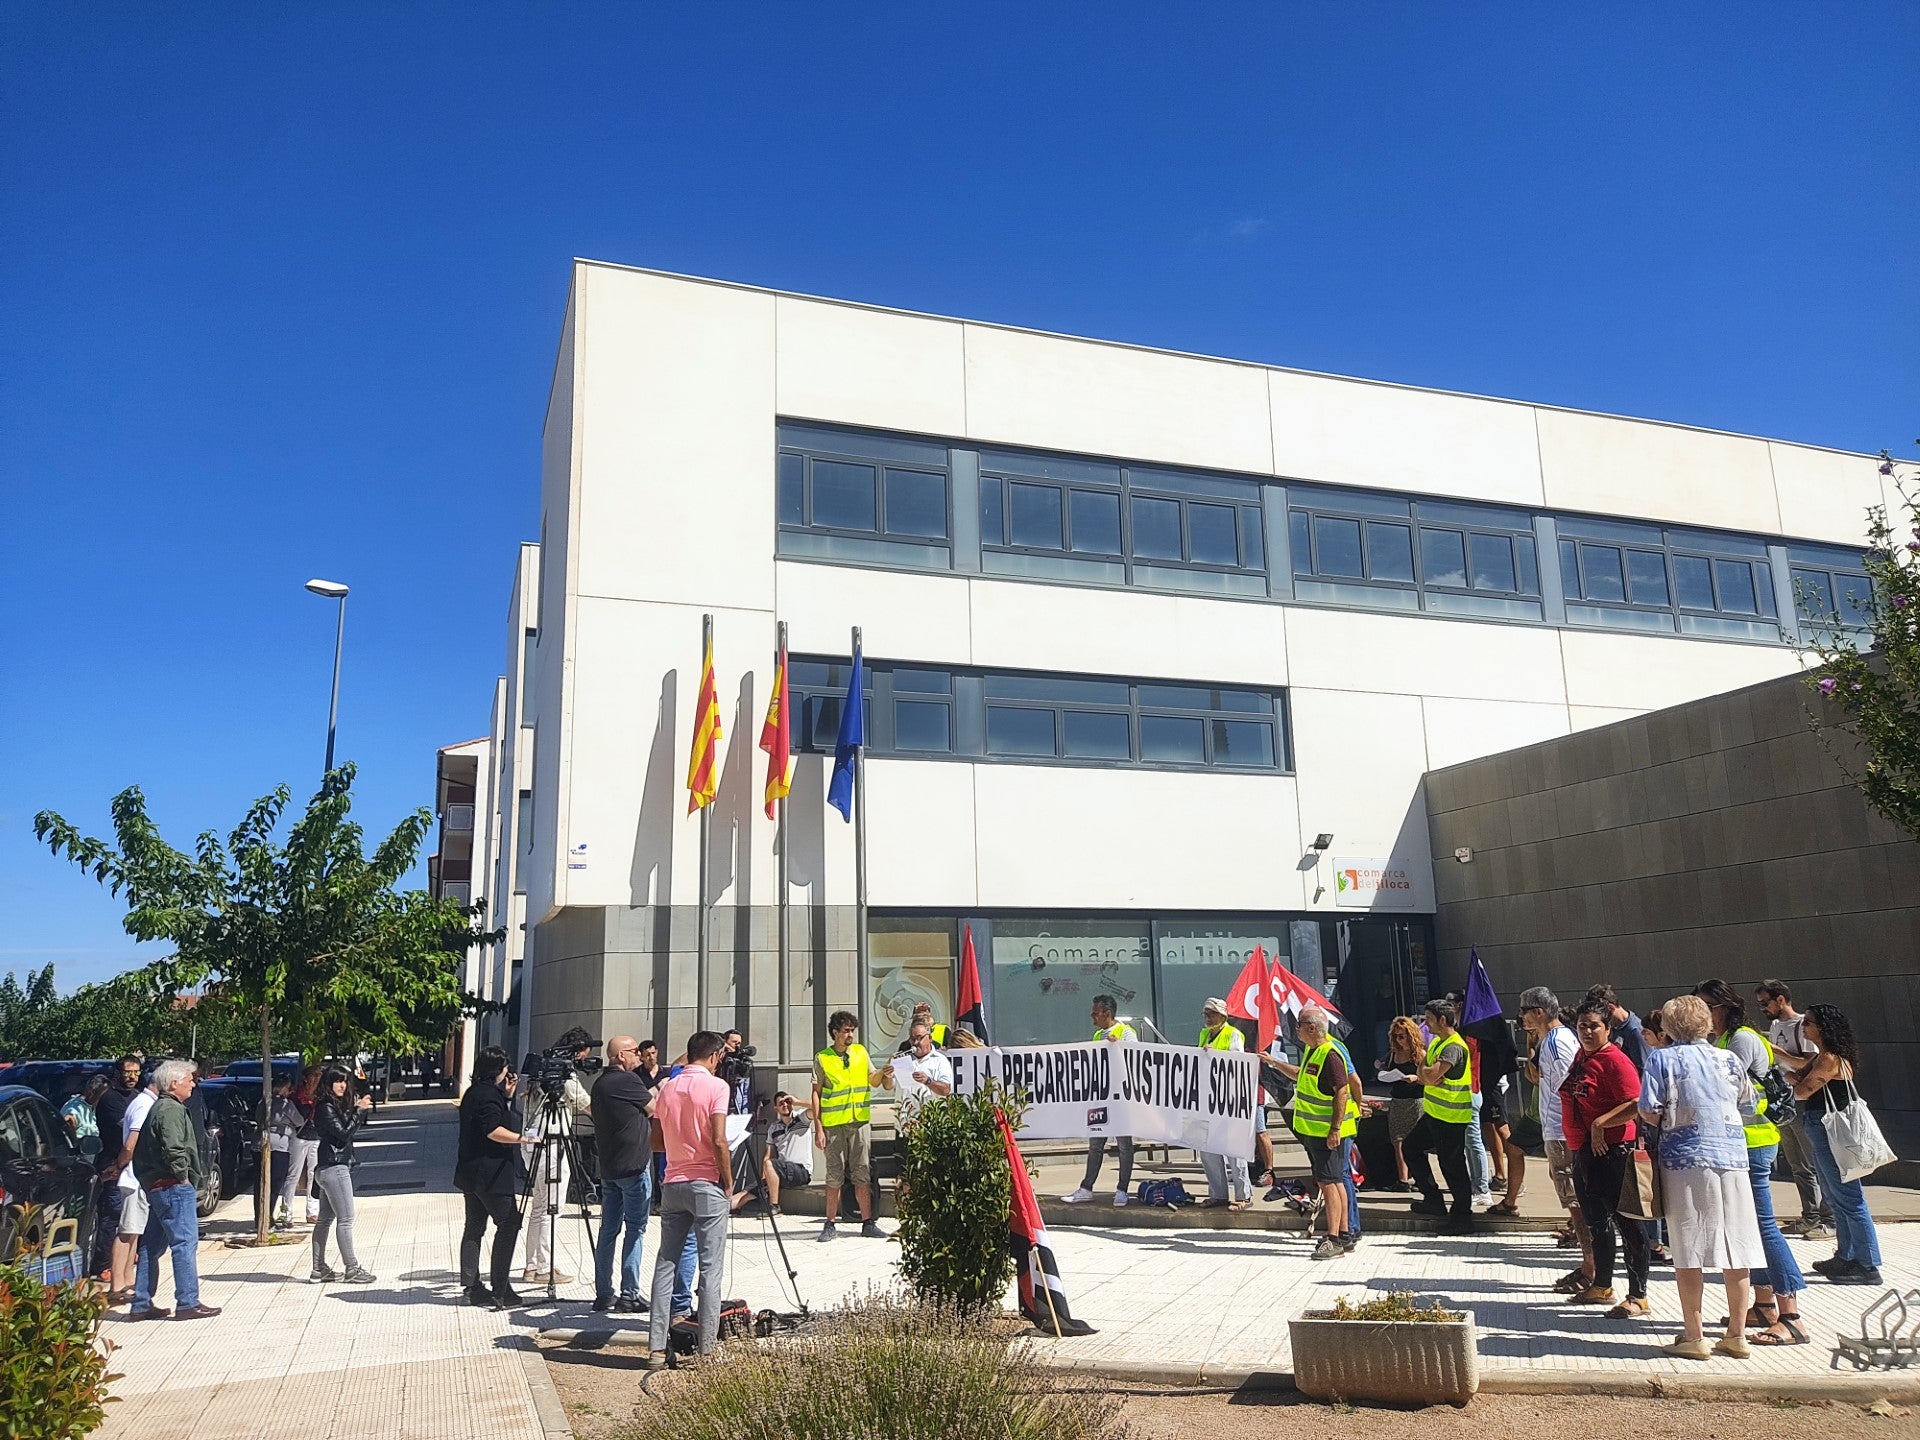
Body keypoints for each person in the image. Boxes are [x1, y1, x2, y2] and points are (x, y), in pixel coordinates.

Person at [1638, 994, 1766, 1360]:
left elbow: (1649, 1108)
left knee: (1688, 1246)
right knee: (1737, 1245)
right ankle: (1736, 1334)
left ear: (1669, 1026)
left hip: (1684, 1157)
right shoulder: (1729, 1057)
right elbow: (1748, 1103)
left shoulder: (1662, 1058)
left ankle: (1694, 1335)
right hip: (1732, 1155)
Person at [1694, 978, 1806, 1346]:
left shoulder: (1741, 1039)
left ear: (1722, 1006)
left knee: (1764, 1225)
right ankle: (1763, 1303)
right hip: (1740, 1144)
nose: (1701, 1014)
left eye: (1705, 1006)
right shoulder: (1724, 1040)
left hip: (1754, 1143)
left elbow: (1727, 1093)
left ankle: (1791, 1316)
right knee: (1749, 1227)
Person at [644, 1030, 734, 1367]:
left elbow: (656, 1142)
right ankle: (706, 1349)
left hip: (673, 1181)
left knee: (666, 1262)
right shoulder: (717, 1087)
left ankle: (655, 1346)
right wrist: (728, 1180)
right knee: (710, 1269)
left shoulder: (667, 1087)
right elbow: (720, 1139)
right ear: (713, 1057)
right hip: (706, 1180)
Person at [1561, 1000, 1650, 1316]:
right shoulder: (1584, 1056)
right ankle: (1601, 1284)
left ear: (1608, 1029)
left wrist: (1601, 1124)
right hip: (1584, 1151)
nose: (1586, 1031)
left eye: (1594, 1026)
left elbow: (1636, 1102)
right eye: (1582, 1025)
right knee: (1596, 1221)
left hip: (1612, 1152)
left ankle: (1638, 1294)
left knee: (1626, 1222)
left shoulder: (1615, 1060)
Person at [1794, 1004, 1885, 1289]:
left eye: (1807, 1022)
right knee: (1835, 1195)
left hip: (1832, 1132)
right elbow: (1802, 1076)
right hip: (1823, 1129)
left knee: (1849, 1197)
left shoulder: (1830, 1058)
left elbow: (1805, 1090)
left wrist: (1790, 1087)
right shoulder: (1825, 1056)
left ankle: (1868, 1265)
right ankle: (1845, 1256)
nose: (1803, 1027)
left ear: (1823, 1028)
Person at [130, 1059, 219, 1321]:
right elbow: (173, 1148)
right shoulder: (170, 1110)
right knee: (184, 1243)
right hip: (171, 1186)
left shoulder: (163, 1107)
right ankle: (187, 1302)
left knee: (151, 1246)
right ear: (173, 1083)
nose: (193, 1084)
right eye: (189, 1079)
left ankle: (141, 1303)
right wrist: (183, 1177)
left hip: (159, 1185)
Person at [1519, 987, 1592, 1288]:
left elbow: (1569, 1088)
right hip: (1557, 1129)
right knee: (1572, 1199)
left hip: (1563, 1131)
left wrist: (1568, 1130)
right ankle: (1589, 1264)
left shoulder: (1559, 1042)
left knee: (1575, 1200)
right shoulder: (1549, 1041)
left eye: (1524, 1010)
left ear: (1538, 1012)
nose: (1520, 1016)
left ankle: (1591, 1267)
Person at [1756, 980, 1832, 1239]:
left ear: (1780, 1000)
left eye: (1764, 1003)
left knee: (1815, 1162)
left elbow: (1809, 1062)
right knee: (1797, 1163)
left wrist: (1775, 1050)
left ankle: (1828, 1218)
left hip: (1803, 1101)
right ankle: (1809, 1216)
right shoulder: (1775, 1026)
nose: (1762, 1008)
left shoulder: (1803, 1025)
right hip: (1783, 1101)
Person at [522, 1026, 595, 1286]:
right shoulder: (562, 1073)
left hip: (533, 1140)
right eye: (584, 1055)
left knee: (539, 1206)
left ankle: (532, 1264)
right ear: (577, 1053)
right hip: (551, 1143)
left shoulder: (543, 1067)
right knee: (552, 1208)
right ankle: (545, 1267)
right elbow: (585, 1103)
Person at [456, 1046, 527, 1309]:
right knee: (509, 1223)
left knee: (474, 1227)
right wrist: (523, 1139)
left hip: (470, 1172)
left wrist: (506, 1097)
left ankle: (471, 1286)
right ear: (499, 1070)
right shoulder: (489, 1096)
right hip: (491, 1173)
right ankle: (501, 1288)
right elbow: (492, 1129)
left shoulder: (474, 1092)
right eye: (506, 1068)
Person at [589, 1035, 656, 1314]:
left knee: (608, 1230)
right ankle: (629, 1294)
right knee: (636, 1229)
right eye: (634, 1051)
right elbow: (654, 1108)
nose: (638, 1056)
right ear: (620, 1056)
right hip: (633, 1166)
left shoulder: (599, 1084)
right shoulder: (628, 1081)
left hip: (609, 1168)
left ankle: (604, 1293)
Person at [1282, 1007, 1353, 1259]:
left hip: (1327, 1133)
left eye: (1299, 1024)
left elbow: (1342, 1091)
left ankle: (1333, 1239)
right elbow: (1303, 1078)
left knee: (1330, 1183)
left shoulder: (1329, 1054)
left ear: (1312, 1027)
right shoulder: (1313, 1052)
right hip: (1315, 1131)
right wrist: (1273, 1063)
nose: (1296, 1029)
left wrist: (1335, 1128)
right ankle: (1344, 1234)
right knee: (1333, 1181)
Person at [812, 1010, 888, 1240]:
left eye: (852, 1030)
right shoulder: (822, 1057)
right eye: (846, 1031)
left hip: (859, 1122)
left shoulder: (860, 1052)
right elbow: (815, 1093)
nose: (850, 1035)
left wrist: (884, 1071)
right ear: (835, 1033)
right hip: (834, 1124)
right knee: (834, 1174)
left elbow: (872, 1079)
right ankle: (829, 1224)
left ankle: (867, 1222)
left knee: (862, 1172)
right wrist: (818, 1127)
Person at [1403, 999, 1474, 1234]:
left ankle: (1463, 1216)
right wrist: (1427, 1073)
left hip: (1451, 1116)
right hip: (1435, 1113)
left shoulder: (1453, 1046)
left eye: (1430, 1019)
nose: (1426, 1024)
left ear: (1443, 1020)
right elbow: (1423, 1073)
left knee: (1452, 1166)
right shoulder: (1437, 1044)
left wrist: (1427, 1073)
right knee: (1411, 1148)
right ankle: (1433, 1199)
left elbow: (1429, 1076)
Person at [1063, 995, 1136, 1206]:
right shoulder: (1097, 1035)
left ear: (1107, 1013)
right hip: (1101, 1097)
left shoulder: (1126, 1032)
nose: (1092, 1016)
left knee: (1124, 1145)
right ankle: (1086, 1188)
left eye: (1095, 1012)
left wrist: (1119, 1046)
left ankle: (1122, 1190)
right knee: (1095, 1144)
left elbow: (1136, 1059)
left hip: (1121, 1098)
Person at [307, 1064, 375, 1284]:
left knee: (325, 1219)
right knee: (345, 1219)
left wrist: (353, 1109)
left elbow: (344, 1127)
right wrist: (358, 1110)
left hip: (329, 1166)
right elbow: (344, 1133)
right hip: (334, 1167)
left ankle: (319, 1268)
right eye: (337, 1081)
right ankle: (352, 1268)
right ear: (328, 1083)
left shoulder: (331, 1105)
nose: (342, 1085)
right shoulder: (325, 1106)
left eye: (344, 1081)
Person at [112, 1064, 161, 1303]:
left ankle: (128, 1278)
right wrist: (121, 1165)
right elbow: (131, 1143)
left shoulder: (142, 1102)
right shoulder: (144, 1105)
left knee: (135, 1231)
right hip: (133, 1176)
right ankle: (117, 1285)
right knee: (127, 1231)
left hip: (136, 1176)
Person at [1196, 998, 1251, 1211]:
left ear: (1223, 1016)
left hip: (1229, 1100)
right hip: (1207, 1099)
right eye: (1206, 1013)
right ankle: (1218, 1194)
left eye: (1211, 1013)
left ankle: (1243, 1195)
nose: (1208, 1017)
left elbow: (1237, 1065)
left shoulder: (1233, 1034)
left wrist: (1214, 1055)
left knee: (1233, 1149)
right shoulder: (1204, 1034)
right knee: (1207, 1148)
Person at [90, 1055, 140, 1287]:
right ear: (118, 1072)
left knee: (130, 1218)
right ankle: (102, 1265)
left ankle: (125, 1262)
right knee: (112, 1215)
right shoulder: (110, 1099)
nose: (132, 1077)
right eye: (128, 1072)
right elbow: (131, 1131)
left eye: (136, 1073)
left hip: (132, 1167)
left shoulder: (137, 1097)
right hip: (112, 1166)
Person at [1376, 1017, 1425, 1192]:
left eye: (1402, 1036)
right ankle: (1403, 1180)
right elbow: (1381, 1067)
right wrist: (1382, 1069)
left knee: (1417, 1142)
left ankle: (1421, 1178)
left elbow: (1432, 1077)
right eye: (1396, 1036)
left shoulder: (1420, 1054)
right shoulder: (1393, 1054)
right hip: (1398, 1100)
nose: (1399, 1040)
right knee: (1398, 1141)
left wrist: (1417, 1078)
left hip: (1416, 1101)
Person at [279, 1065, 323, 1228]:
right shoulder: (297, 1095)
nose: (317, 1079)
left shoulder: (321, 1095)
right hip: (299, 1136)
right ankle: (286, 1213)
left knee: (314, 1174)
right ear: (306, 1078)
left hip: (316, 1136)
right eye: (314, 1075)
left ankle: (312, 1212)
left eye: (319, 1075)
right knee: (293, 1175)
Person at [757, 1093, 814, 1212]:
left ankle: (774, 1205)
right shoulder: (773, 1128)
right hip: (781, 1172)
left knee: (769, 1164)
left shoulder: (802, 1118)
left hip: (801, 1171)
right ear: (776, 1108)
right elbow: (768, 1154)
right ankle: (727, 1207)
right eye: (781, 1103)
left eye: (787, 1102)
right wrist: (764, 1178)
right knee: (746, 1193)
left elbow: (819, 1106)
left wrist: (797, 1101)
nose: (785, 1105)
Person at [264, 1074, 299, 1229]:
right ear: (284, 1088)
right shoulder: (286, 1104)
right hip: (279, 1145)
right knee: (276, 1183)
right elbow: (299, 1121)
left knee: (262, 1184)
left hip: (261, 1144)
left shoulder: (263, 1102)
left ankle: (261, 1218)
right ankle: (268, 1217)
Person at [60, 1074, 107, 1159]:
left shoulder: (92, 1106)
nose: (106, 1097)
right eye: (103, 1095)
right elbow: (67, 1120)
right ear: (92, 1092)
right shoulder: (76, 1108)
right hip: (77, 1161)